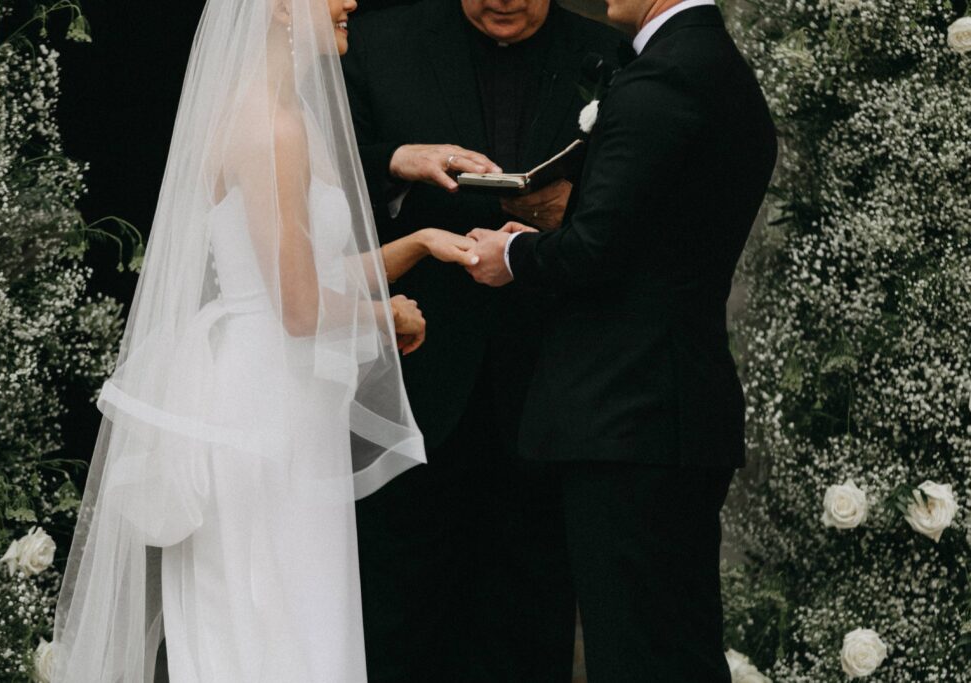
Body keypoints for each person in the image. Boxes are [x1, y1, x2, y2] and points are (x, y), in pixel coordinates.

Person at [50, 0, 477, 680]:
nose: (350, 4)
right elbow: (302, 307)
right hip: (261, 414)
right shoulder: (272, 126)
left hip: (285, 403)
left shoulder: (287, 114)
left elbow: (310, 271)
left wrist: (423, 245)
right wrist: (387, 317)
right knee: (270, 623)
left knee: (291, 613)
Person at [465, 0, 778, 680]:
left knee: (637, 657)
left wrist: (512, 257)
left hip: (629, 416)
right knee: (675, 649)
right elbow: (654, 237)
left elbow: (596, 250)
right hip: (673, 405)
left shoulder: (662, 80)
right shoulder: (719, 68)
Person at [341, 2, 625, 680]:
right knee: (398, 616)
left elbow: (637, 199)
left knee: (530, 617)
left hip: (546, 384)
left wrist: (570, 211)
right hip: (414, 378)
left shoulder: (610, 55)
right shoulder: (382, 41)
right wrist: (395, 162)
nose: (504, 1)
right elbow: (309, 171)